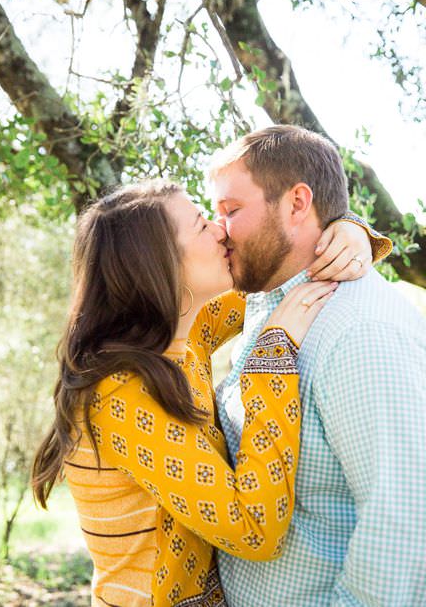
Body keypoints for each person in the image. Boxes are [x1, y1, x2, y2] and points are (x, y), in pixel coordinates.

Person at [26, 176, 385, 607]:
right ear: (157, 264)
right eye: (200, 224)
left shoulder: (181, 336)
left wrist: (347, 230)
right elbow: (252, 529)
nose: (220, 230)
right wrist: (269, 360)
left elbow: (284, 275)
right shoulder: (119, 391)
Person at [206, 126, 426, 604]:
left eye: (231, 210)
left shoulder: (360, 332)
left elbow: (405, 522)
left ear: (297, 204)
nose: (218, 228)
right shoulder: (266, 300)